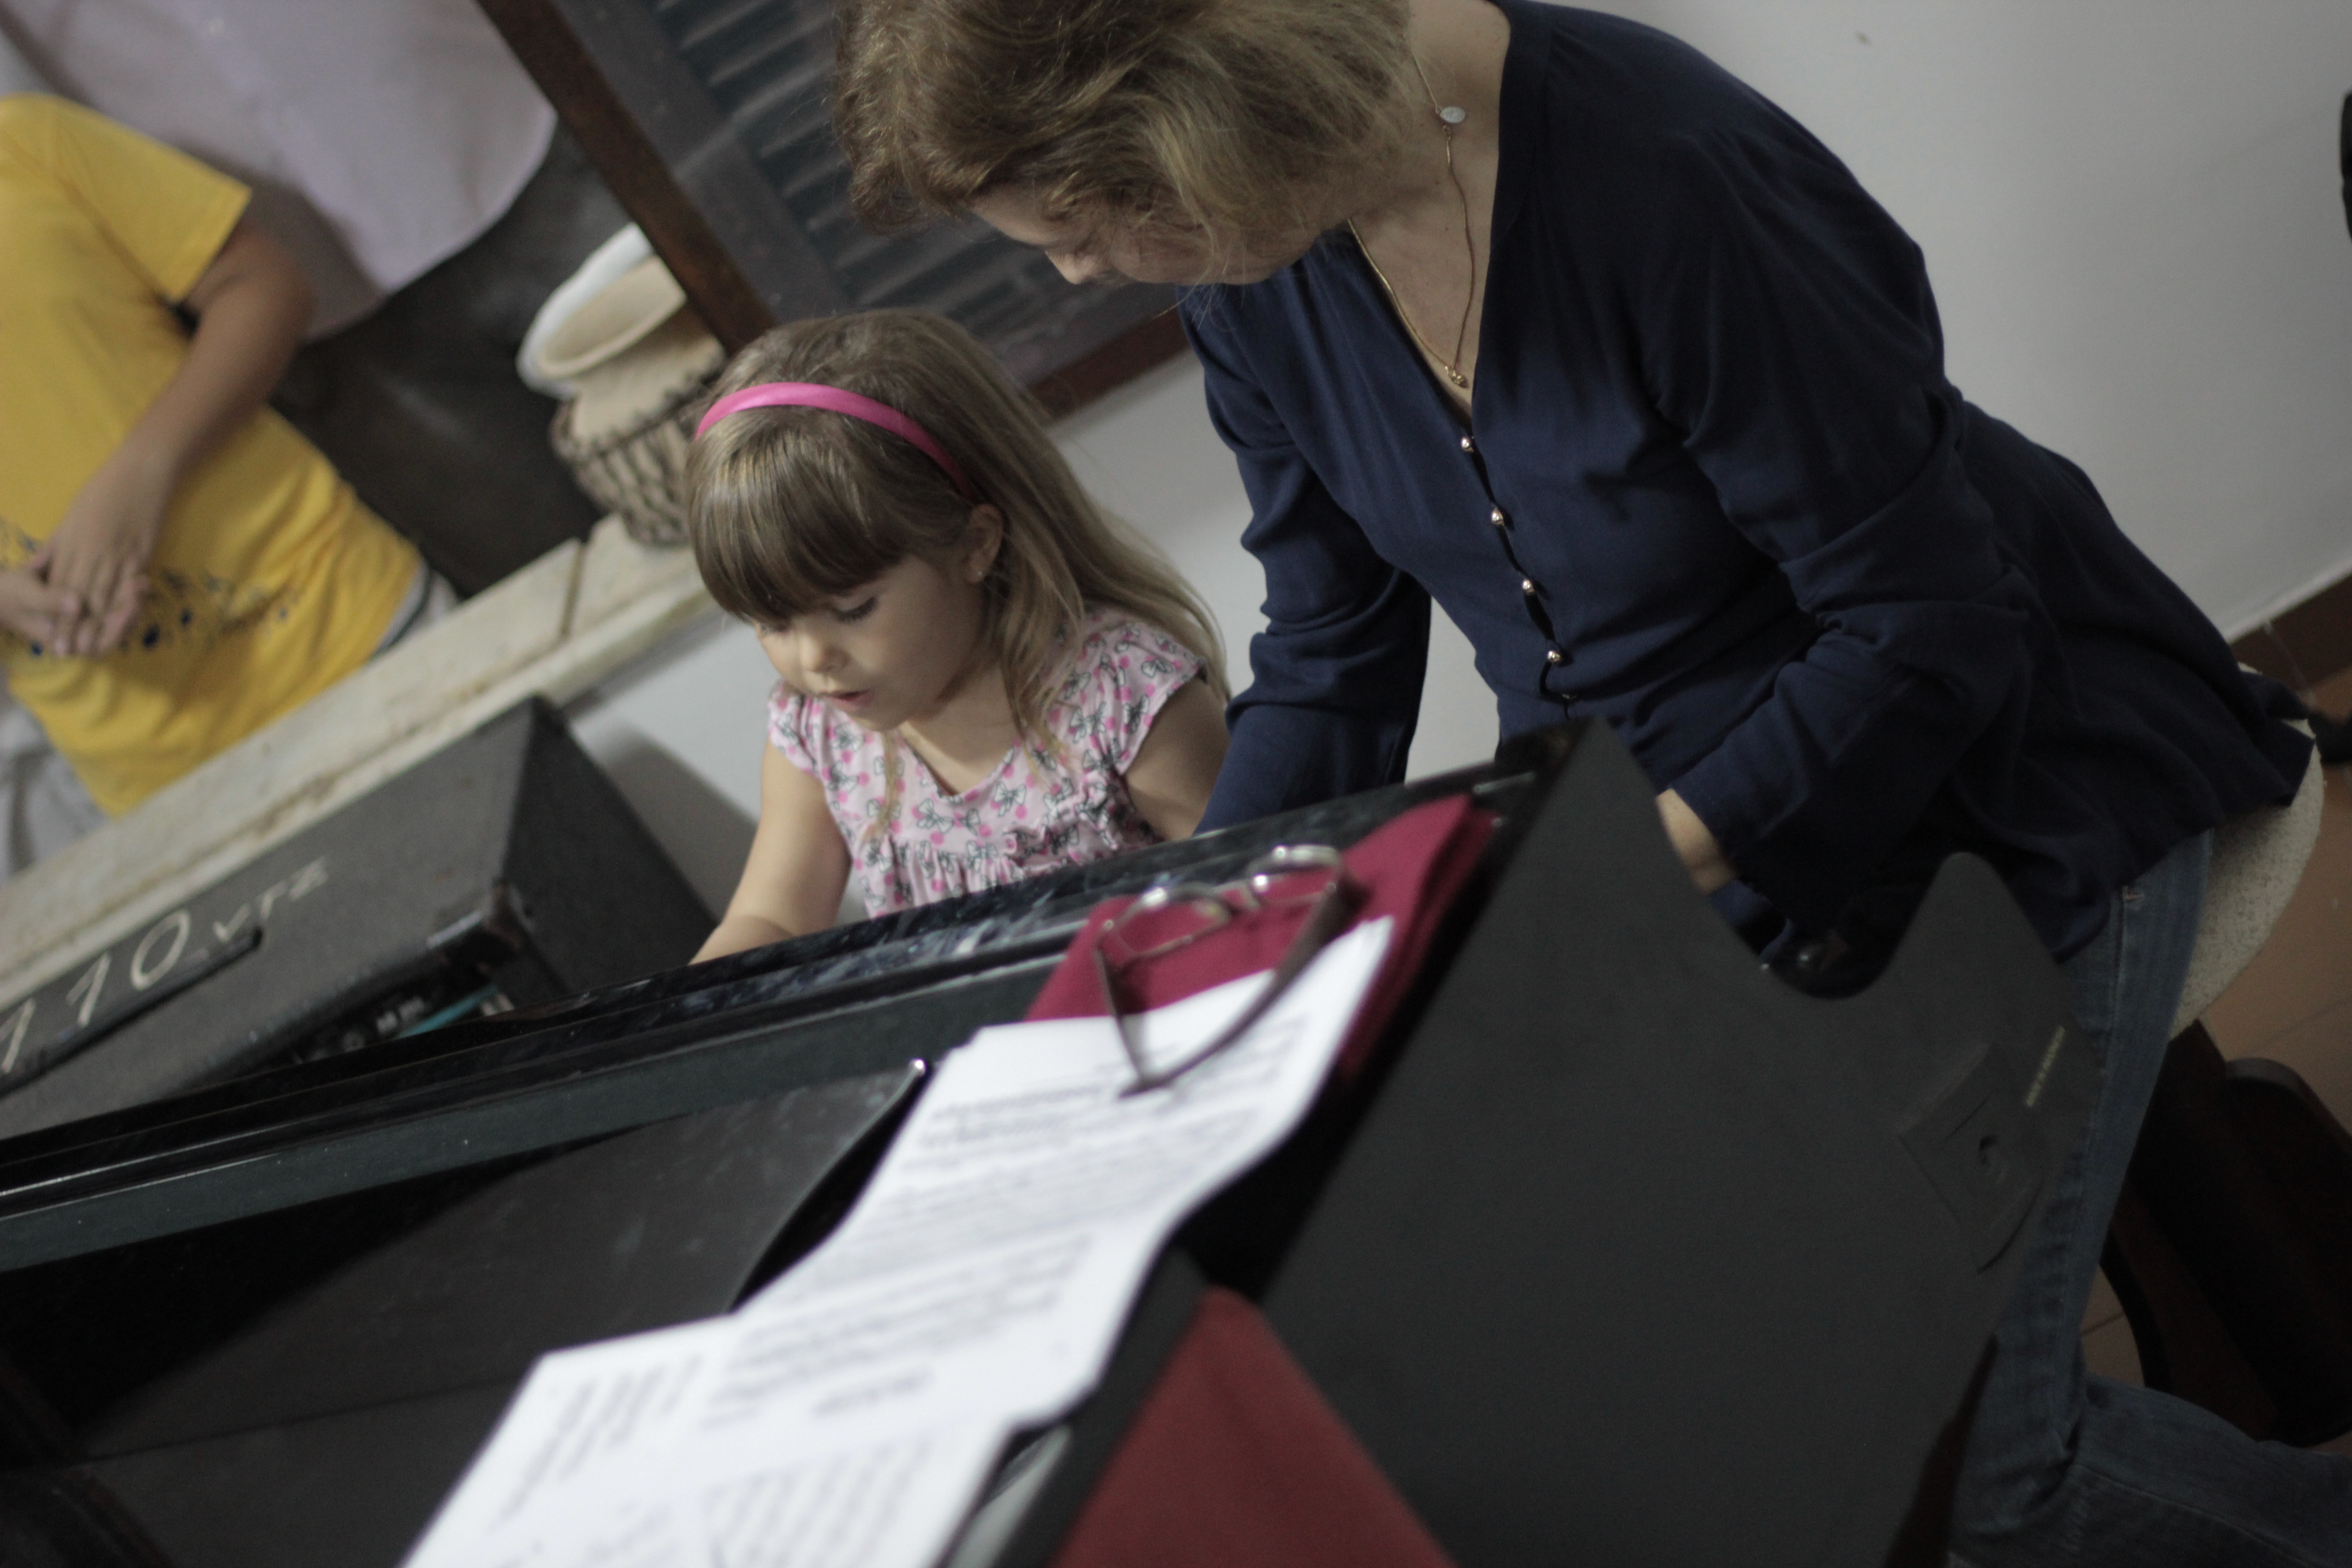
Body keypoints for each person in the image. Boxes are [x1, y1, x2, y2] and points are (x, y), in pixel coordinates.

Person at [828, 0, 2347, 1563]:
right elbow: (1335, 646)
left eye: (1083, 226)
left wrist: (1597, 883)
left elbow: (1926, 625)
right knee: (1651, 1372)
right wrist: (1169, 938)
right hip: (1675, 851)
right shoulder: (1258, 257)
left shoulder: (1662, 171)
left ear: (1197, 106)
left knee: (1966, 1478)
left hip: (1999, 774)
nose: (1077, 275)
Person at [685, 310, 1230, 962]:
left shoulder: (1124, 698)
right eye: (773, 622)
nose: (813, 659)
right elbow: (772, 919)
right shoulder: (818, 732)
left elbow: (1242, 884)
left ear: (975, 544)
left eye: (853, 608)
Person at [0, 93, 439, 867]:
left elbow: (264, 285)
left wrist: (142, 474)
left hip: (349, 625)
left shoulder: (27, 142)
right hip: (153, 787)